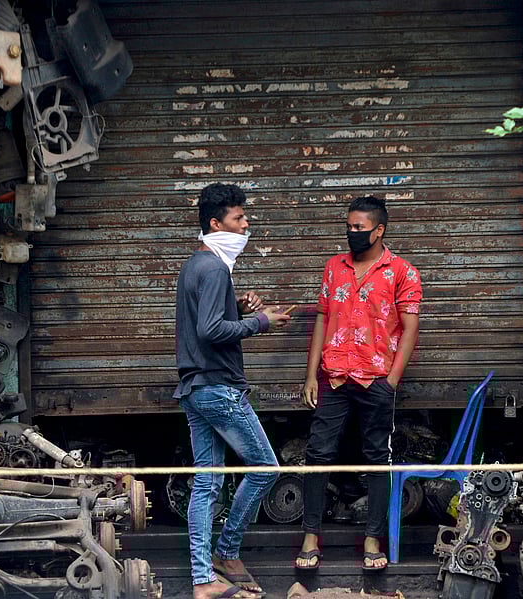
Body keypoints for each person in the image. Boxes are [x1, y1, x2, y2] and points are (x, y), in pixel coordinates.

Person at [175, 183, 291, 599]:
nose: (246, 225)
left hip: (195, 386)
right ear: (215, 223)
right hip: (217, 386)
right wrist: (260, 321)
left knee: (206, 482)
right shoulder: (213, 268)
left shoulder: (197, 265)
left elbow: (208, 320)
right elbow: (209, 331)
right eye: (238, 218)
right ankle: (226, 551)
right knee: (264, 467)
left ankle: (203, 579)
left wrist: (235, 308)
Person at [295, 196, 422, 571]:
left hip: (376, 377)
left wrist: (392, 380)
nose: (351, 233)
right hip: (333, 375)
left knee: (376, 459)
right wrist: (311, 374)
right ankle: (310, 537)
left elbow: (410, 326)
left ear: (378, 230)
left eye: (358, 227)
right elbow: (321, 318)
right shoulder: (334, 267)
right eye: (348, 226)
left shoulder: (402, 271)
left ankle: (372, 539)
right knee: (318, 455)